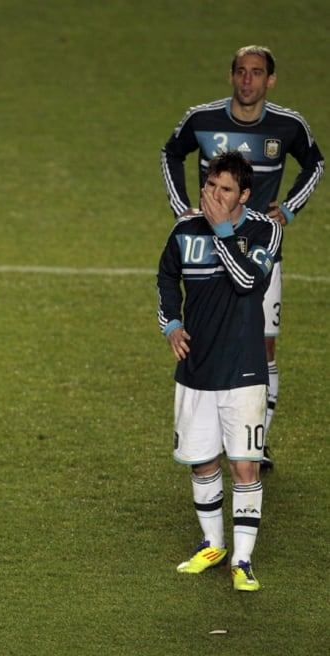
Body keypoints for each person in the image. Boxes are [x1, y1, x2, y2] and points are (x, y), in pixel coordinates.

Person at [161, 45, 324, 470]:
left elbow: (315, 164)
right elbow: (170, 153)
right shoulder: (202, 119)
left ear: (270, 80)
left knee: (264, 346)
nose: (247, 80)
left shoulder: (288, 126)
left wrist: (288, 209)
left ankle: (258, 439)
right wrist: (182, 207)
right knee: (209, 338)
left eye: (256, 73)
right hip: (208, 253)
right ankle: (211, 437)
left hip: (258, 253)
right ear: (231, 76)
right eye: (241, 71)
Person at [157, 151, 282, 592]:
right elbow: (166, 277)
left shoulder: (264, 230)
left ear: (244, 195)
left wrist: (223, 231)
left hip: (244, 371)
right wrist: (171, 322)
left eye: (224, 189)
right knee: (202, 462)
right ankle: (212, 544)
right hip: (196, 370)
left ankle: (243, 559)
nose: (213, 195)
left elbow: (247, 282)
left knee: (244, 466)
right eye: (210, 185)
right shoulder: (184, 230)